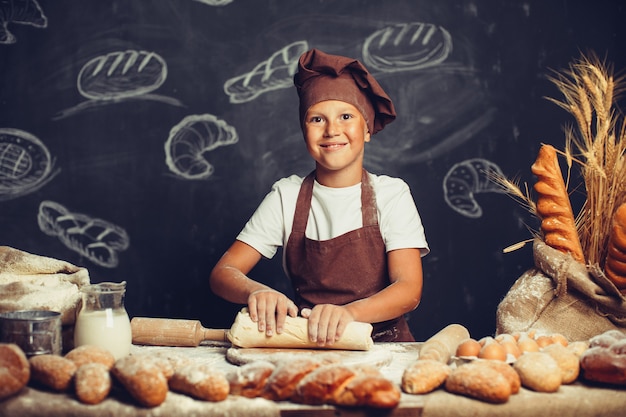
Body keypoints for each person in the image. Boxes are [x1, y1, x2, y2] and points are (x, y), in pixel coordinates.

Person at [210, 48, 429, 345]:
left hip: (386, 348)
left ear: (367, 129)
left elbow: (409, 289)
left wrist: (349, 314)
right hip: (310, 345)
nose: (331, 130)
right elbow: (224, 272)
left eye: (346, 116)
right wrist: (256, 292)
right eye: (317, 119)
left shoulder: (391, 195)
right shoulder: (286, 196)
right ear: (304, 130)